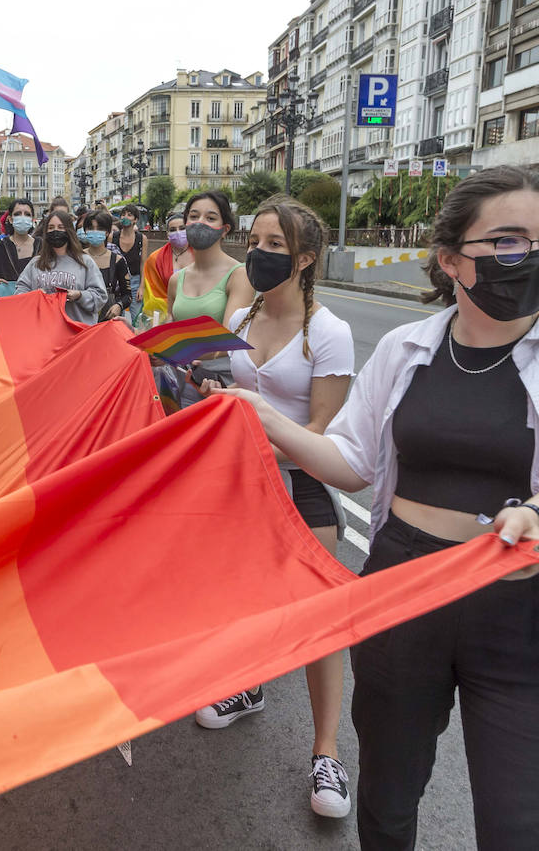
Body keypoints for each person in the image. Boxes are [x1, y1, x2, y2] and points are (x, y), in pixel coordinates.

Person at [203, 165, 539, 851]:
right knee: (387, 798)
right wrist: (263, 416)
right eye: (507, 240)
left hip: (519, 600)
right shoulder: (407, 349)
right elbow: (351, 462)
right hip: (401, 586)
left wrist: (537, 515)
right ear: (450, 259)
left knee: (523, 824)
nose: (534, 256)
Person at [192, 196, 356, 820]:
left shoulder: (330, 333)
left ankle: (327, 751)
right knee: (242, 597)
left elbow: (320, 433)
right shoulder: (240, 317)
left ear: (305, 259)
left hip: (301, 486)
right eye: (255, 242)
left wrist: (257, 430)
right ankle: (248, 685)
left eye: (274, 247)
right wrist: (214, 393)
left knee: (319, 619)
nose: (257, 255)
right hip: (239, 482)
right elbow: (234, 393)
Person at [167, 191, 256, 404]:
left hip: (220, 386)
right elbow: (169, 325)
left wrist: (172, 350)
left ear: (225, 229)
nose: (200, 222)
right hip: (178, 382)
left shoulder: (239, 275)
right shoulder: (176, 279)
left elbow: (227, 340)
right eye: (194, 216)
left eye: (210, 218)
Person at [15, 211, 106, 323]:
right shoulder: (35, 263)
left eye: (61, 227)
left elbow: (100, 297)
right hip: (43, 329)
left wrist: (79, 295)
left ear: (69, 231)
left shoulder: (85, 261)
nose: (55, 231)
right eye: (51, 228)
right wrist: (34, 296)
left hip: (77, 329)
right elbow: (20, 292)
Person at [141, 212, 191, 325]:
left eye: (182, 228)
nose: (178, 232)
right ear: (167, 234)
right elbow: (153, 295)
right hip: (165, 317)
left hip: (195, 314)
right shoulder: (155, 259)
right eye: (173, 230)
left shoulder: (201, 255)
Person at [81, 210, 130, 322]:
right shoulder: (78, 258)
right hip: (82, 318)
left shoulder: (117, 260)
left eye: (99, 229)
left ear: (107, 232)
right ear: (85, 231)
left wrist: (119, 305)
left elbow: (127, 295)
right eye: (91, 228)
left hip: (108, 319)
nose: (95, 232)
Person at [0, 199, 37, 283]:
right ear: (10, 219)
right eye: (17, 214)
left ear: (33, 219)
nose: (22, 217)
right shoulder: (0, 248)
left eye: (27, 214)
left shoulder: (41, 247)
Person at [113, 205, 145, 319]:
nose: (125, 217)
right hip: (117, 284)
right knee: (116, 318)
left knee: (136, 317)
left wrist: (141, 287)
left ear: (135, 220)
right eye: (123, 214)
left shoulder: (142, 239)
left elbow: (143, 264)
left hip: (135, 282)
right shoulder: (113, 237)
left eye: (129, 215)